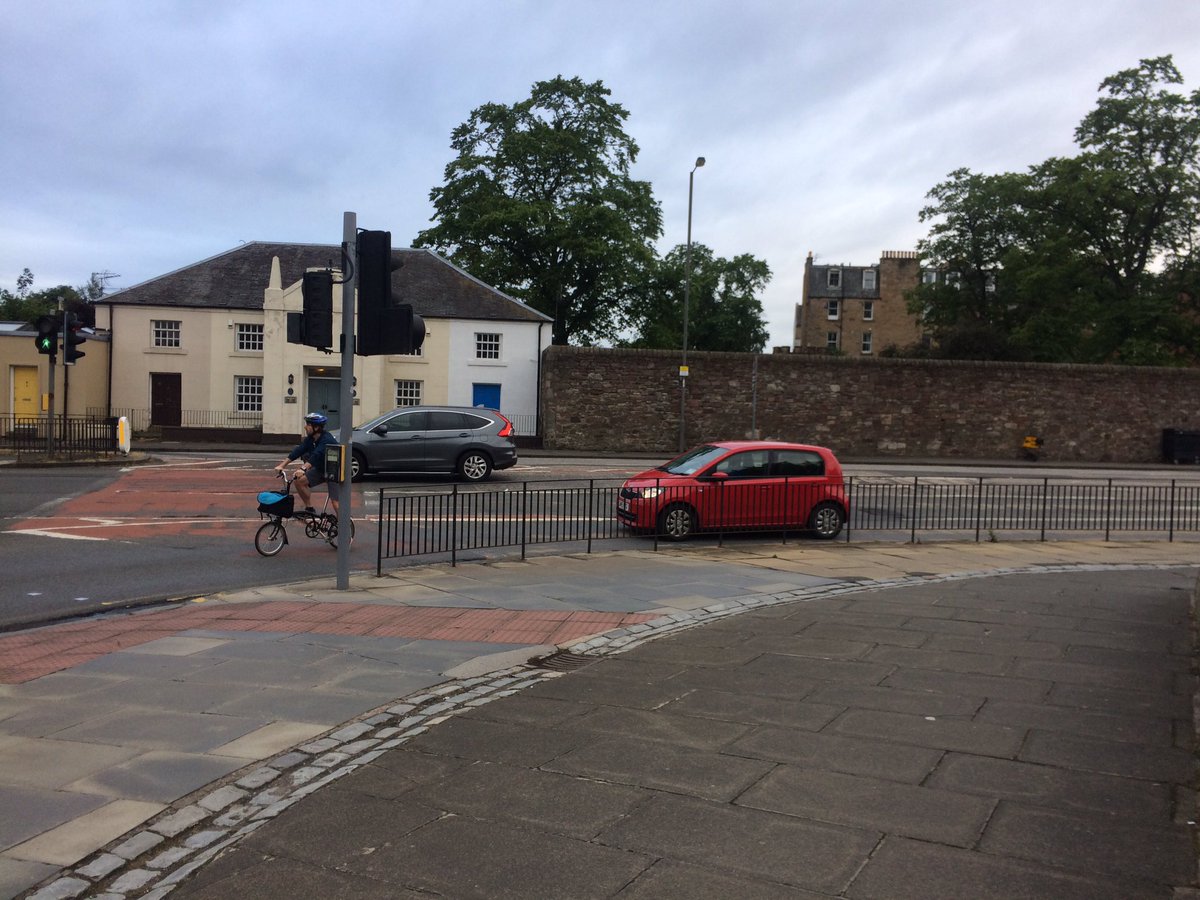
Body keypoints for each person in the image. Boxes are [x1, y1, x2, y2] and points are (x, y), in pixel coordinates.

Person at [275, 412, 340, 517]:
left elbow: (316, 455)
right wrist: (282, 465)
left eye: (308, 425)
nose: (305, 427)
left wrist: (303, 469)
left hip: (334, 470)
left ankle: (344, 528)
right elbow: (298, 451)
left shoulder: (326, 439)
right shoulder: (311, 439)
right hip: (320, 469)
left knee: (335, 503)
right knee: (299, 482)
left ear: (316, 427)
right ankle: (309, 509)